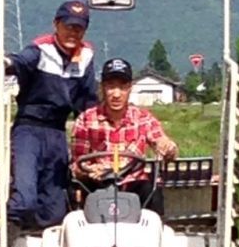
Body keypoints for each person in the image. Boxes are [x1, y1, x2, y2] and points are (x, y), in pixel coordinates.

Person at [0, 0, 98, 230]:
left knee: (55, 210)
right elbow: (20, 61)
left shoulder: (86, 57)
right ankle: (3, 236)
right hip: (28, 130)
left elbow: (88, 102)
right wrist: (7, 63)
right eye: (68, 26)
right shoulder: (41, 49)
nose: (73, 32)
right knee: (25, 198)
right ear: (56, 25)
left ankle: (37, 244)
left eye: (79, 28)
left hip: (57, 133)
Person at [70, 58, 178, 216]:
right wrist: (89, 170)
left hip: (134, 183)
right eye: (111, 86)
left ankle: (154, 234)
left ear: (130, 89)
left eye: (122, 87)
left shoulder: (143, 118)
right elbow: (77, 164)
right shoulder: (86, 119)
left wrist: (167, 147)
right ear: (102, 88)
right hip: (99, 183)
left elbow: (163, 142)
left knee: (152, 191)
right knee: (86, 193)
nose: (116, 94)